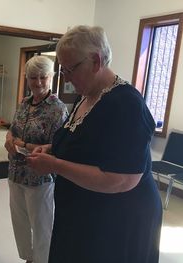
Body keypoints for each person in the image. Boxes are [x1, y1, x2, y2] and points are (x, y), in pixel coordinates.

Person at [27, 25, 162, 263]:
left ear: (96, 61)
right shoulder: (87, 95)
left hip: (116, 220)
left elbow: (122, 179)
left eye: (70, 69)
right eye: (62, 70)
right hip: (83, 214)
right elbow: (82, 145)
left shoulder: (126, 104)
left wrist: (55, 165)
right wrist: (51, 149)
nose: (65, 78)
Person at [4, 55, 68, 263]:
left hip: (39, 178)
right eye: (33, 77)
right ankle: (28, 259)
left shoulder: (57, 109)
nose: (38, 82)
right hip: (16, 173)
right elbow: (12, 129)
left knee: (41, 227)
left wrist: (23, 145)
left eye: (43, 77)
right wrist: (8, 139)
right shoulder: (24, 103)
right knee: (20, 223)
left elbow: (58, 148)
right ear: (27, 78)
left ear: (51, 77)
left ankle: (42, 260)